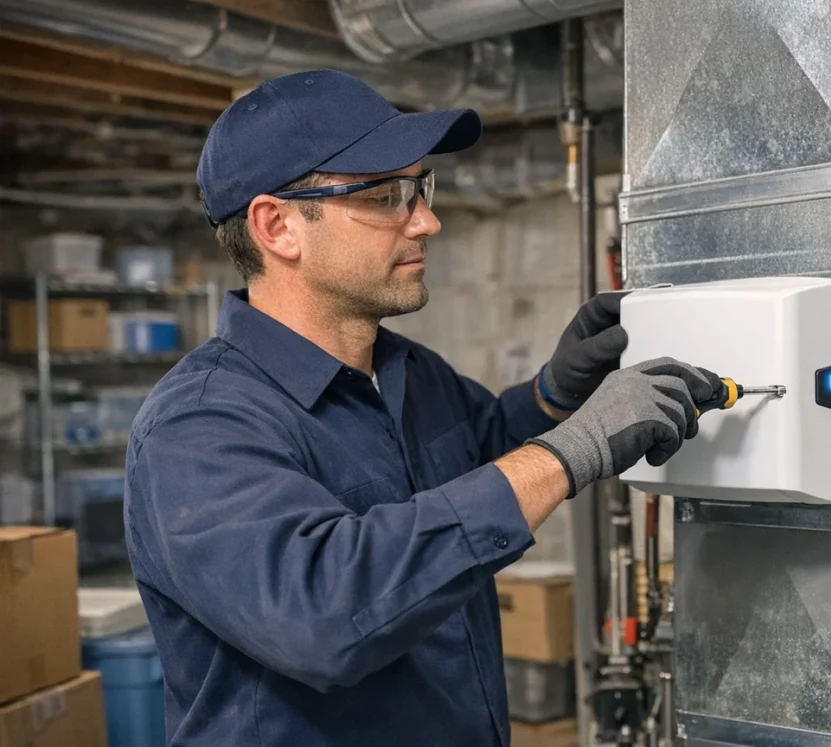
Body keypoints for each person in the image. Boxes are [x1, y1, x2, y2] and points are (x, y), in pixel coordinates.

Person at [124, 69, 720, 747]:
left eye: (420, 188)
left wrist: (555, 394)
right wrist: (571, 450)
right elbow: (325, 611)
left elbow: (482, 446)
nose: (427, 220)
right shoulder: (198, 428)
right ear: (278, 225)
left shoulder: (409, 371)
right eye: (385, 196)